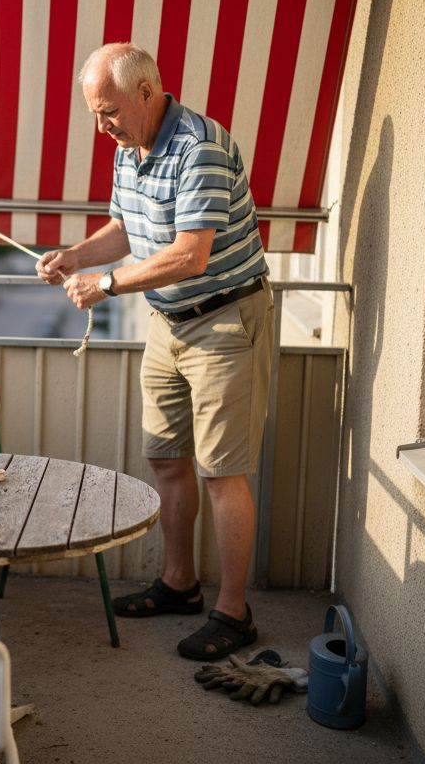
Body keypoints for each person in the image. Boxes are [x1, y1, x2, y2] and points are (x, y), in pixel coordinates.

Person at [37, 42, 273, 661]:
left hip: (225, 322)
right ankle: (179, 585)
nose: (100, 127)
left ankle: (234, 613)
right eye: (93, 113)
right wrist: (76, 257)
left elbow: (190, 253)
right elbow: (123, 229)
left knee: (222, 472)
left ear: (146, 92)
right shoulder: (130, 149)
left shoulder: (200, 147)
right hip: (169, 323)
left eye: (107, 111)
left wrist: (107, 283)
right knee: (167, 458)